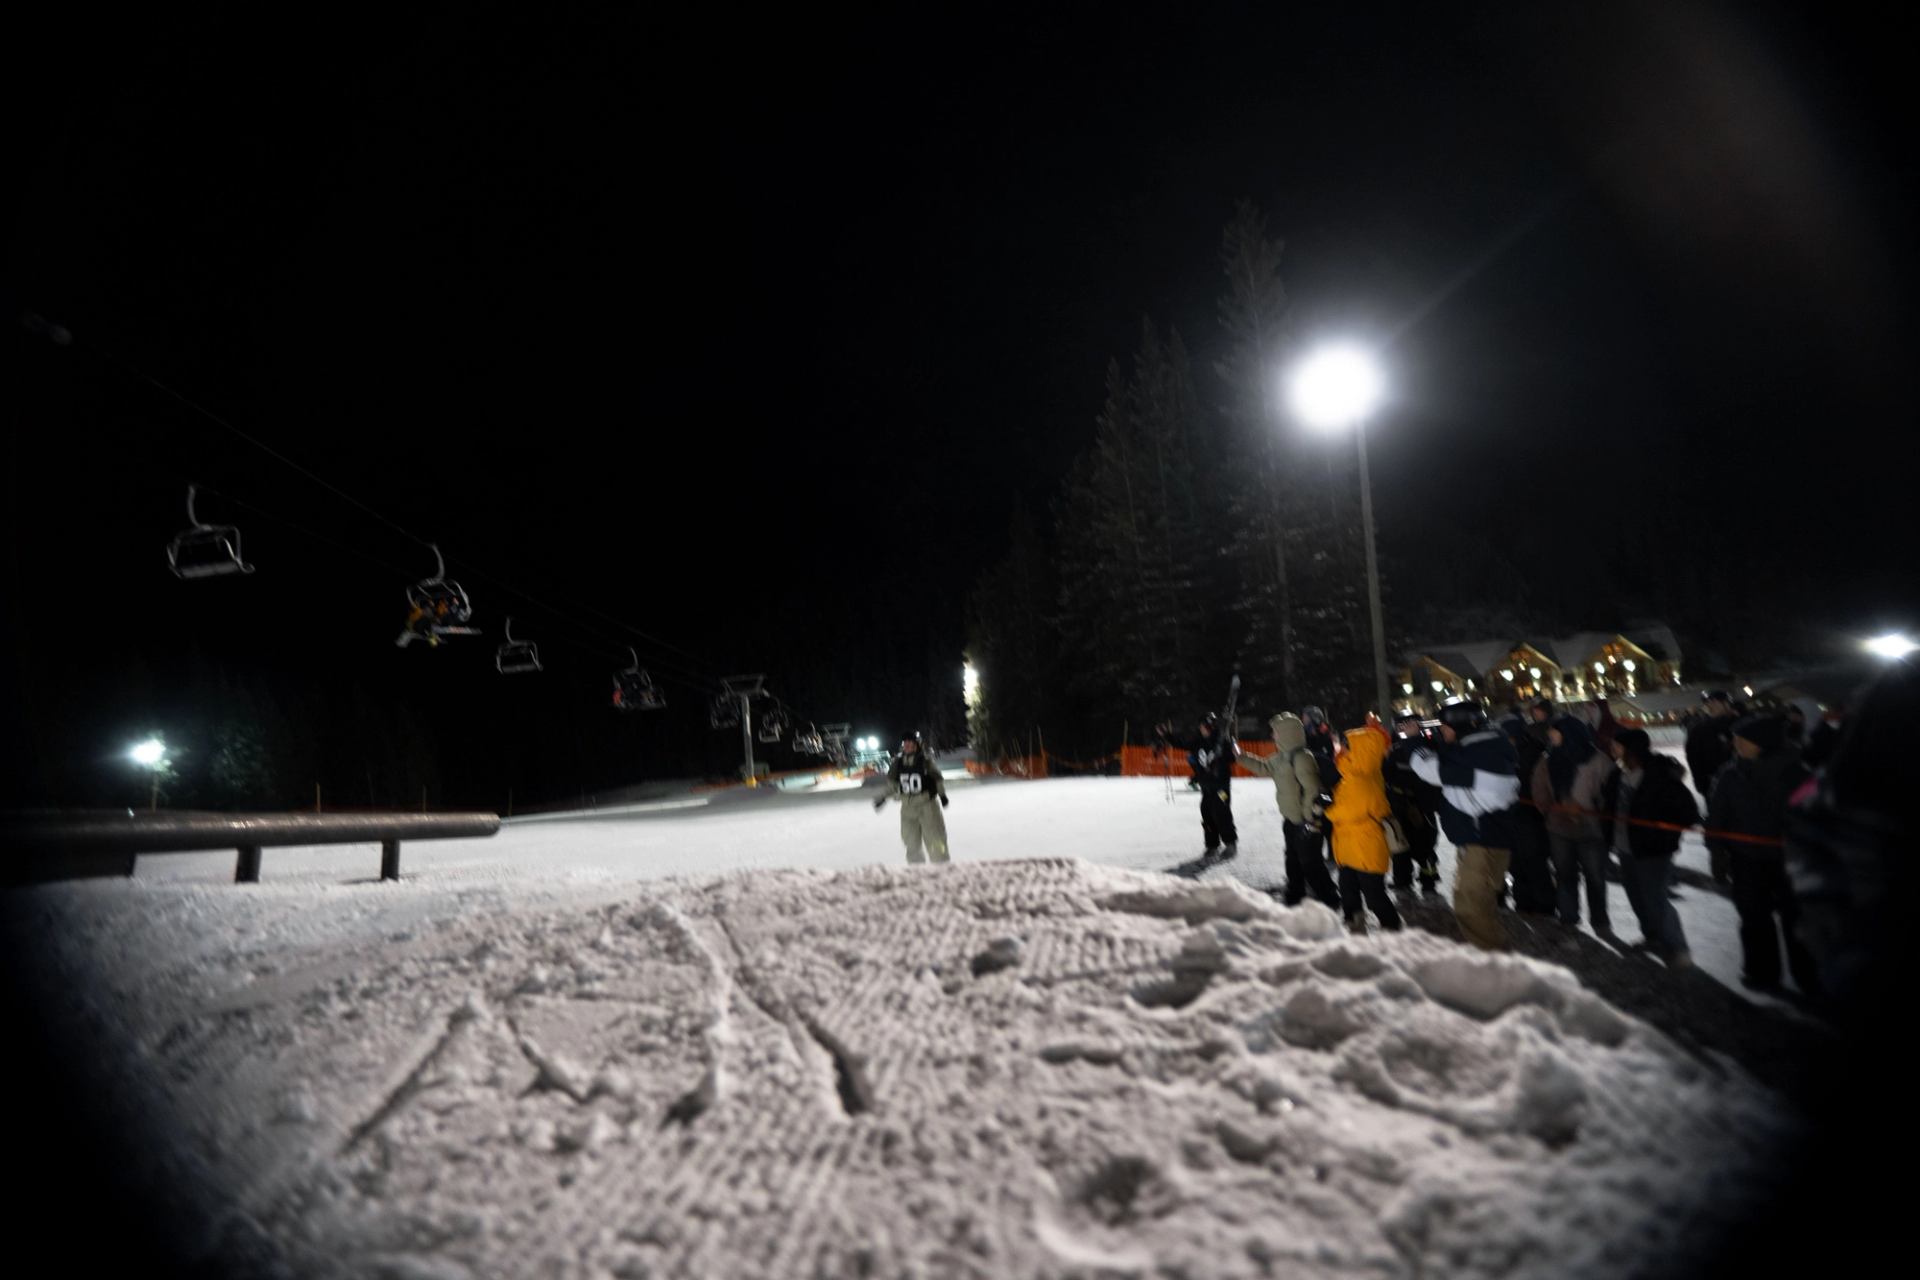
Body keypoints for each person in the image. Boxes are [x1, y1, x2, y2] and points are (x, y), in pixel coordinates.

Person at [1708, 715, 1818, 995]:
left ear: (1762, 742)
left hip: (1790, 860)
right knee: (1753, 917)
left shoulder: (1796, 773)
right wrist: (1717, 852)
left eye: (1742, 740)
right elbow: (1718, 815)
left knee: (1797, 918)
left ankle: (1809, 976)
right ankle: (1762, 972)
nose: (1736, 744)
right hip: (1746, 859)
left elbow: (1814, 816)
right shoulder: (1731, 774)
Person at [1411, 698, 1521, 951]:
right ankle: (1491, 955)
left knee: (1470, 907)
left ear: (1460, 726)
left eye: (1445, 727)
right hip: (1480, 841)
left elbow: (1431, 770)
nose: (1442, 733)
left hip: (1482, 843)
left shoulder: (1478, 753)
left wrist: (1413, 742)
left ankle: (1494, 960)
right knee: (1479, 904)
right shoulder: (1482, 747)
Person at [1600, 729, 1695, 969]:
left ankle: (1677, 947)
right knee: (1636, 896)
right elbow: (1609, 806)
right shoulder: (1618, 774)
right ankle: (1652, 937)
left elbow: (1687, 811)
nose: (1613, 749)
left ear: (1631, 749)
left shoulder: (1658, 774)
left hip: (1653, 850)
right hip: (1625, 847)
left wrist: (1661, 831)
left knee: (1656, 898)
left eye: (1617, 745)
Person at [1241, 712, 1339, 908]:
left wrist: (1308, 818)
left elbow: (1313, 789)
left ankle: (1330, 898)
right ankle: (1295, 893)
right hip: (1291, 820)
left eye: (1276, 732)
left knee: (1310, 863)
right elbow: (1262, 767)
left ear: (1287, 733)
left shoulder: (1302, 758)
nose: (1273, 735)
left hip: (1307, 821)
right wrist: (1240, 757)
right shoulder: (1281, 758)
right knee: (1292, 860)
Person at [1324, 716, 1403, 933]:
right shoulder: (1354, 774)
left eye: (1348, 747)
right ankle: (1353, 919)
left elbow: (1347, 812)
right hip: (1351, 844)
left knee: (1373, 894)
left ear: (1361, 751)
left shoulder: (1361, 779)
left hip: (1364, 846)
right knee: (1347, 888)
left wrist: (1325, 809)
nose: (1343, 750)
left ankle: (1392, 926)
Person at [1534, 714, 1613, 933]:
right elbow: (1539, 791)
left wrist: (1593, 812)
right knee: (1564, 874)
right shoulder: (1548, 760)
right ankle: (1568, 916)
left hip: (1591, 829)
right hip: (1559, 829)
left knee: (1595, 876)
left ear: (1569, 733)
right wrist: (1552, 810)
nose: (1550, 734)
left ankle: (1600, 919)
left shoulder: (1597, 760)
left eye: (1555, 731)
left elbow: (1610, 793)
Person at [1155, 712, 1238, 858]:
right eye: (1202, 726)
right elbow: (1181, 743)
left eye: (1206, 726)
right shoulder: (1198, 742)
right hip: (1207, 787)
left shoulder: (1222, 740)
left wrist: (1222, 754)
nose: (1203, 728)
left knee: (1221, 812)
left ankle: (1230, 843)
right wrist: (1166, 735)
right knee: (1206, 814)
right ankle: (1212, 845)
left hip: (1221, 787)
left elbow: (1234, 758)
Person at [1499, 712, 1557, 915]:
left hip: (1530, 815)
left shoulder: (1534, 752)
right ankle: (1523, 901)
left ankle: (1544, 904)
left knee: (1534, 860)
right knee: (1516, 862)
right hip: (1513, 814)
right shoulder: (1506, 751)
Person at [1385, 711, 1442, 894]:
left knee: (1424, 842)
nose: (1403, 728)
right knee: (1400, 841)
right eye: (1400, 725)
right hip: (1399, 801)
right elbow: (1386, 774)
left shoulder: (1426, 745)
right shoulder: (1394, 748)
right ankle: (1402, 879)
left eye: (1408, 724)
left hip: (1420, 803)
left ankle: (1428, 878)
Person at [873, 731, 949, 864]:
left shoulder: (926, 761)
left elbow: (938, 779)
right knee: (911, 843)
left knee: (935, 840)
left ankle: (942, 867)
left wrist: (942, 795)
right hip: (907, 808)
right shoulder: (898, 763)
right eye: (905, 743)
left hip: (927, 806)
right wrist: (883, 798)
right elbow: (892, 786)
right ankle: (916, 871)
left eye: (910, 743)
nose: (907, 745)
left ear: (917, 745)